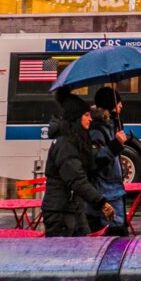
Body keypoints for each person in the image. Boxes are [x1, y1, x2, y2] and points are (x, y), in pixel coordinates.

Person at [40, 92, 113, 237]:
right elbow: (77, 180)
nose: (90, 119)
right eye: (86, 115)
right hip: (60, 212)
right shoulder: (65, 144)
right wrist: (101, 202)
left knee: (84, 249)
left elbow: (91, 166)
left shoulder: (75, 141)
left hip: (74, 208)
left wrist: (115, 146)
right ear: (76, 118)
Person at [89, 85, 130, 234]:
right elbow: (96, 161)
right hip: (107, 194)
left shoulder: (111, 125)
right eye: (118, 101)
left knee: (119, 237)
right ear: (110, 104)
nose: (121, 105)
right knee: (114, 239)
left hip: (115, 192)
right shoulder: (98, 130)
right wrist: (115, 144)